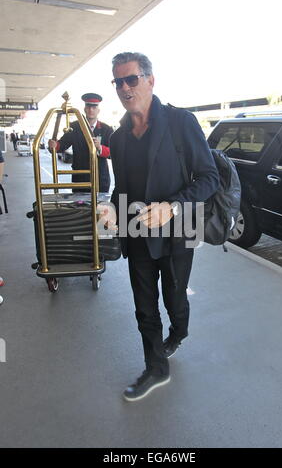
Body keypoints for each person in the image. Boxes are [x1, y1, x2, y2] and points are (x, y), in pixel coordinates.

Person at [101, 52, 219, 401]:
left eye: (131, 79)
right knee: (144, 305)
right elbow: (120, 188)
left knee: (175, 296)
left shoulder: (182, 122)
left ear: (150, 81)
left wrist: (172, 207)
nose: (124, 87)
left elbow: (209, 178)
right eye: (118, 82)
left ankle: (178, 332)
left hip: (181, 230)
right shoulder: (120, 138)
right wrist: (110, 209)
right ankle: (155, 367)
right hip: (138, 235)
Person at [49, 93, 113, 192]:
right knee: (79, 207)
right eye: (88, 106)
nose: (91, 110)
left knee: (100, 207)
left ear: (98, 110)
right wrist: (55, 145)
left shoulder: (106, 129)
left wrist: (100, 148)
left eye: (94, 107)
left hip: (100, 179)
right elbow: (62, 145)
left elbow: (113, 153)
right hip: (80, 178)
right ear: (84, 109)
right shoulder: (74, 127)